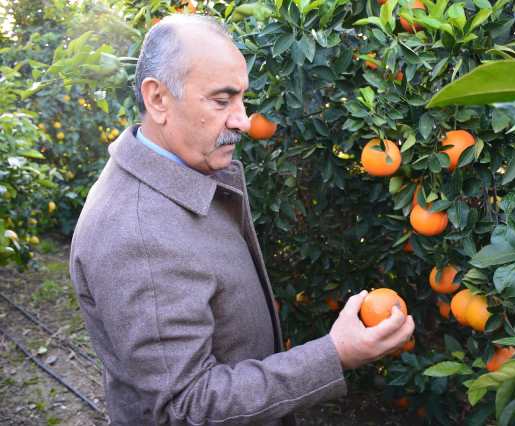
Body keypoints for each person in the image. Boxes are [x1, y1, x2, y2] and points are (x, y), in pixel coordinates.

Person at [69, 14, 414, 426]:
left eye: (241, 99)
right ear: (158, 99)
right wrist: (334, 354)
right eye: (221, 100)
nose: (243, 120)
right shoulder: (139, 234)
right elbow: (186, 406)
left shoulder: (183, 176)